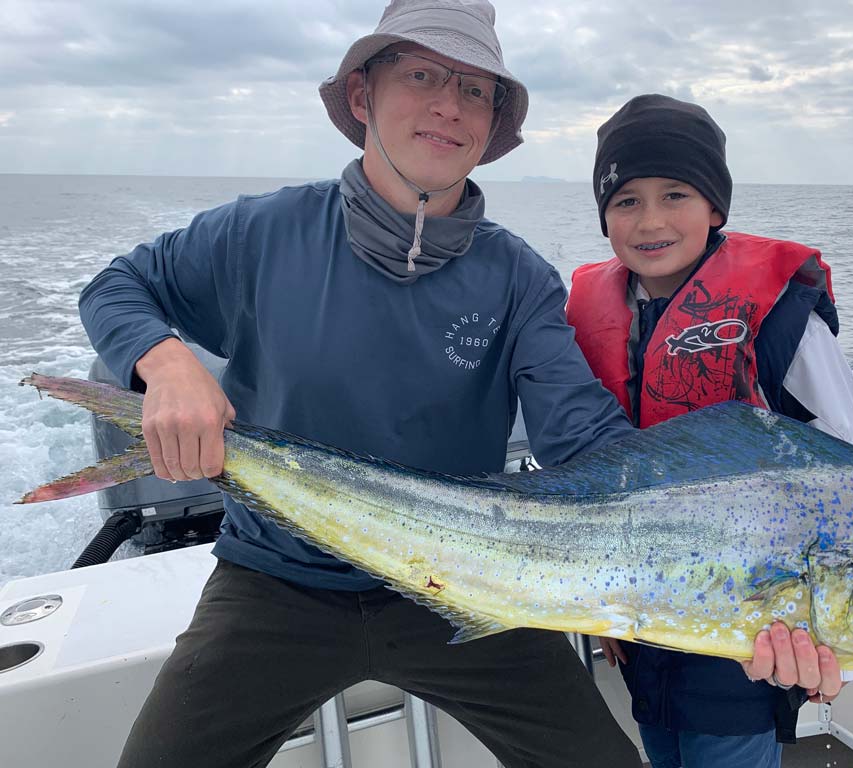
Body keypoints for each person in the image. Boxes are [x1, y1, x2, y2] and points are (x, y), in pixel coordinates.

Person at [78, 2, 645, 766]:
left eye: (476, 89)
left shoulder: (518, 278)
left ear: (491, 124)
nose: (449, 104)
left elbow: (581, 437)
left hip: (462, 582)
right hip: (274, 581)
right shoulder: (260, 232)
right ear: (361, 96)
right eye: (421, 75)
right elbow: (117, 286)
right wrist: (167, 362)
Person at [566, 94, 853, 768]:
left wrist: (835, 646)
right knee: (662, 746)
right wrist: (599, 612)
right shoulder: (591, 313)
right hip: (639, 613)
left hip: (749, 625)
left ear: (715, 207)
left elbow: (852, 479)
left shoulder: (787, 320)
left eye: (675, 194)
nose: (650, 221)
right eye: (625, 201)